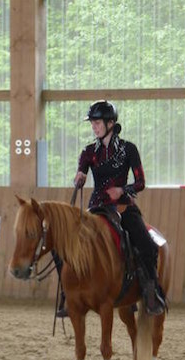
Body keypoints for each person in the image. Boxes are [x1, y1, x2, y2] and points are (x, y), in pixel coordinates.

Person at [64, 100, 166, 316]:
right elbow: (81, 170)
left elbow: (140, 182)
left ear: (111, 123)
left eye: (97, 122)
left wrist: (121, 190)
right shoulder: (89, 151)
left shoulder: (129, 149)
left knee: (147, 246)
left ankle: (151, 291)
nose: (94, 126)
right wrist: (79, 176)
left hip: (122, 208)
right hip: (96, 209)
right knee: (67, 241)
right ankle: (67, 295)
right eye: (92, 123)